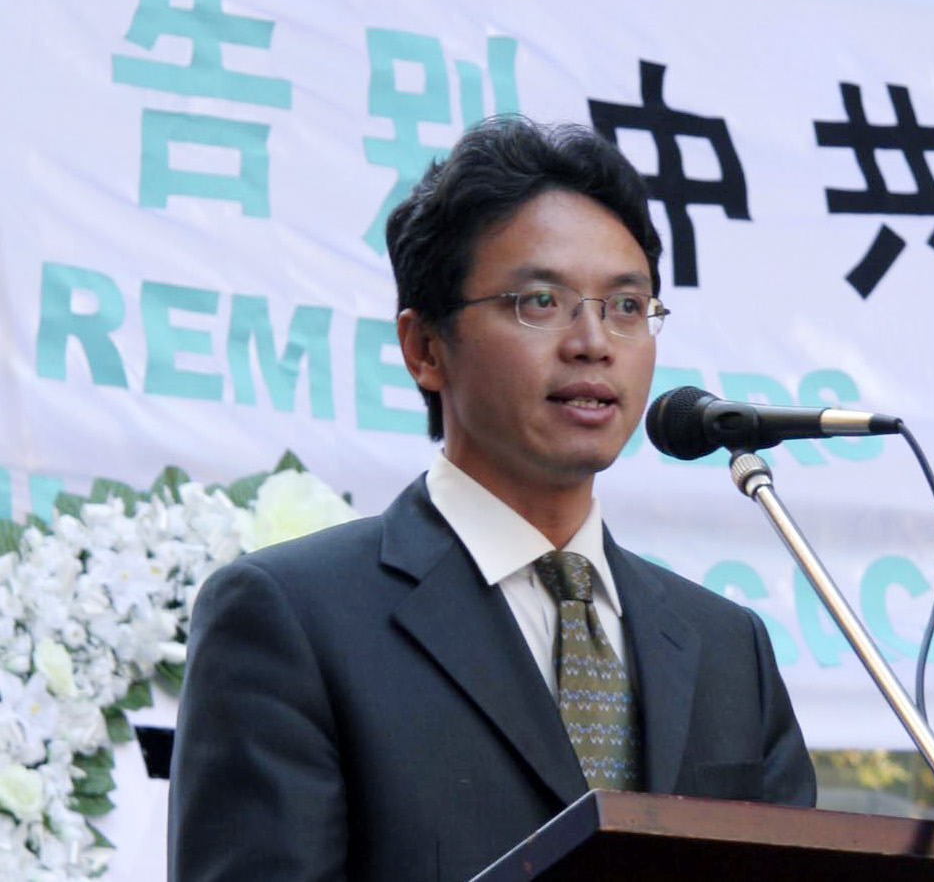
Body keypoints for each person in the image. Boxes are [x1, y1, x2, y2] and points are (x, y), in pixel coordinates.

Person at [167, 116, 815, 882]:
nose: (592, 342)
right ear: (425, 348)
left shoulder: (728, 650)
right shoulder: (292, 620)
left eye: (626, 306)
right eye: (540, 301)